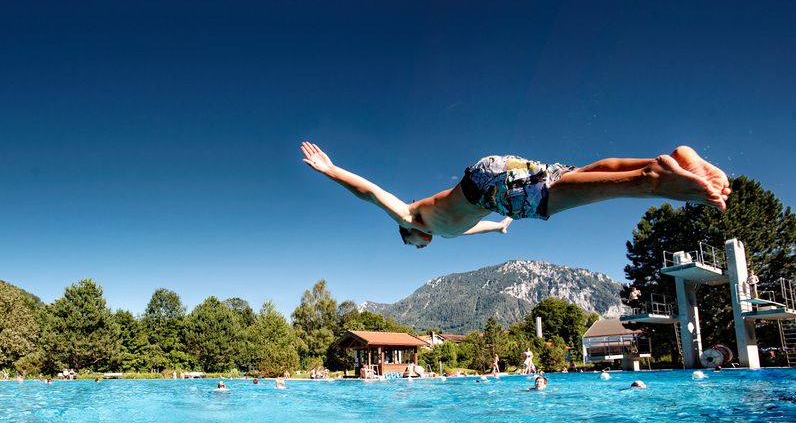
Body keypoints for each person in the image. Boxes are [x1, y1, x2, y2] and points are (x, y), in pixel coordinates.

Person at [300, 142, 730, 248]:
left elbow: (373, 194)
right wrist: (502, 227)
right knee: (570, 176)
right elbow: (475, 229)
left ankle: (655, 180)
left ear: (410, 235)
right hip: (493, 179)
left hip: (488, 187)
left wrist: (331, 169)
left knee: (552, 201)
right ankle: (670, 159)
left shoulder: (411, 218)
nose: (418, 245)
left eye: (412, 246)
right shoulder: (448, 229)